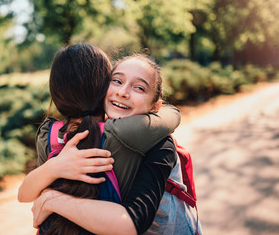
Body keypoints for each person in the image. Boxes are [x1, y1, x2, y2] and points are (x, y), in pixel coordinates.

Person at [18, 46, 188, 234]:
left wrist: (52, 199)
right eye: (116, 80)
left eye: (139, 87)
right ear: (101, 86)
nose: (123, 92)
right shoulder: (119, 133)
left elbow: (24, 195)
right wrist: (56, 167)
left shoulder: (51, 133)